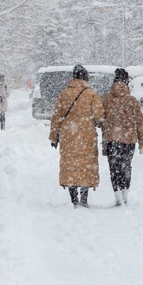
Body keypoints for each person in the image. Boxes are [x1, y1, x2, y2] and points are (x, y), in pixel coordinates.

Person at [49, 65, 105, 208]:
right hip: (87, 135)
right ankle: (84, 198)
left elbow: (57, 116)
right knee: (86, 164)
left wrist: (54, 136)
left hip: (68, 134)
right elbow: (99, 116)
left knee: (70, 164)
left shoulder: (64, 94)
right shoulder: (91, 94)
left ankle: (73, 198)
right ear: (85, 77)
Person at [101, 68, 143, 206]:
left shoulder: (105, 99)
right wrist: (142, 141)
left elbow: (99, 119)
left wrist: (106, 125)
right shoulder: (132, 101)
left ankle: (117, 195)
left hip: (111, 139)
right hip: (128, 140)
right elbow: (139, 122)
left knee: (113, 168)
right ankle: (125, 193)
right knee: (126, 167)